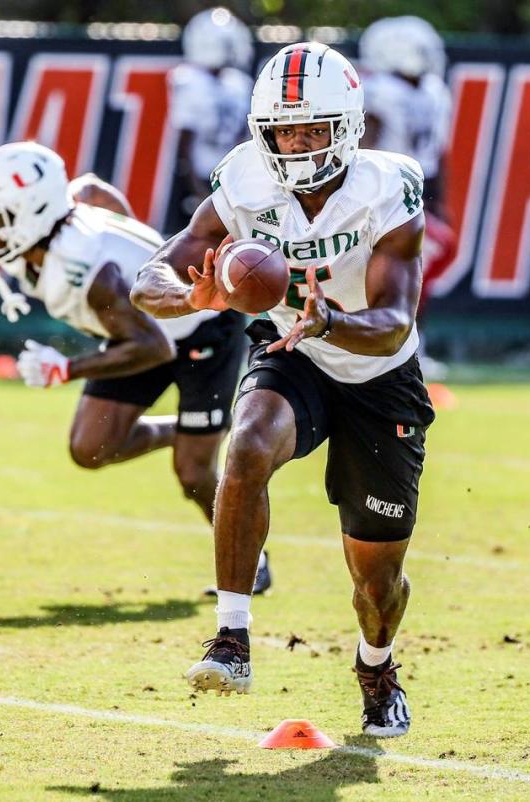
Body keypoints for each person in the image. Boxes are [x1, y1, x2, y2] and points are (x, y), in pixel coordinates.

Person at [131, 42, 435, 737]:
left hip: (379, 375)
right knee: (247, 445)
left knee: (376, 583)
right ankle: (231, 639)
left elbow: (392, 325)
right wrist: (191, 299)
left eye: (311, 129)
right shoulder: (243, 180)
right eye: (283, 131)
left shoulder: (387, 187)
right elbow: (152, 276)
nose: (296, 144)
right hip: (289, 349)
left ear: (348, 126)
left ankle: (376, 664)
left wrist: (332, 318)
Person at [0, 141, 270, 592]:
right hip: (143, 328)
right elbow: (92, 190)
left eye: (0, 219)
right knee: (90, 446)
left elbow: (154, 350)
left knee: (193, 472)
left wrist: (66, 370)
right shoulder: (67, 217)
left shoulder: (86, 271)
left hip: (201, 332)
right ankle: (183, 430)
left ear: (37, 213)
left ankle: (253, 560)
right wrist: (141, 252)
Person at [358, 15, 455, 380]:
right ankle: (378, 339)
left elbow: (438, 153)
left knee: (413, 274)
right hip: (384, 189)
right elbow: (365, 145)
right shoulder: (383, 89)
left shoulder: (431, 90)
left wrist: (438, 203)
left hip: (415, 189)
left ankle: (409, 342)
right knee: (379, 271)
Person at [166, 7, 254, 234]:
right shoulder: (190, 81)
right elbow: (183, 144)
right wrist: (196, 190)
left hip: (231, 177)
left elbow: (244, 138)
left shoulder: (238, 83)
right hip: (201, 176)